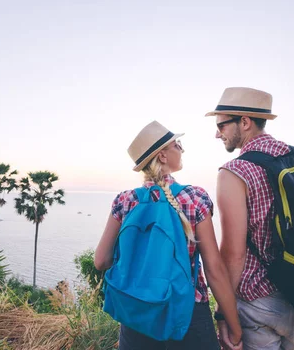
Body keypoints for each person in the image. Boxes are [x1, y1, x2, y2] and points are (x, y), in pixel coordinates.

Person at [94, 120, 242, 350]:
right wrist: (234, 328)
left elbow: (101, 260)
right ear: (162, 156)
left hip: (137, 317)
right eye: (177, 145)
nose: (181, 149)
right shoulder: (194, 198)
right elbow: (214, 269)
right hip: (188, 315)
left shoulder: (124, 201)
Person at [206, 87, 294, 349]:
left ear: (245, 122)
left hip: (259, 303)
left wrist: (223, 313)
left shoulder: (235, 172)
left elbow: (233, 255)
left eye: (221, 125)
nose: (217, 133)